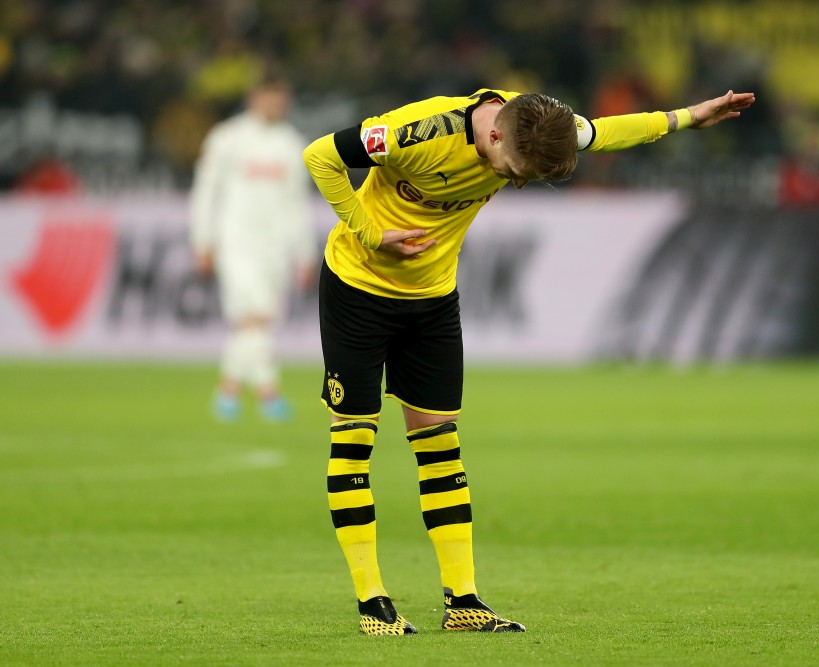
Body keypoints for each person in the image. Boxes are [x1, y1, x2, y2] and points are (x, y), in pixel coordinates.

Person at [304, 87, 754, 635]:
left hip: (432, 299)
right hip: (358, 291)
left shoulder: (542, 124)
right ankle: (372, 602)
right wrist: (370, 231)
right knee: (355, 441)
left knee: (440, 443)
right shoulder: (418, 132)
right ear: (494, 134)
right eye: (515, 170)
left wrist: (689, 117)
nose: (516, 182)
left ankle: (463, 602)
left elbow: (608, 132)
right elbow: (320, 155)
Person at [190, 73, 317, 422]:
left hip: (275, 247)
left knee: (256, 323)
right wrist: (202, 240)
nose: (276, 104)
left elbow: (297, 203)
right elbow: (205, 192)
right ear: (253, 98)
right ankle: (268, 393)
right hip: (236, 240)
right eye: (269, 96)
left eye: (282, 97)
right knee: (255, 315)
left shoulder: (292, 144)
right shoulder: (227, 138)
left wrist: (304, 252)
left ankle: (228, 389)